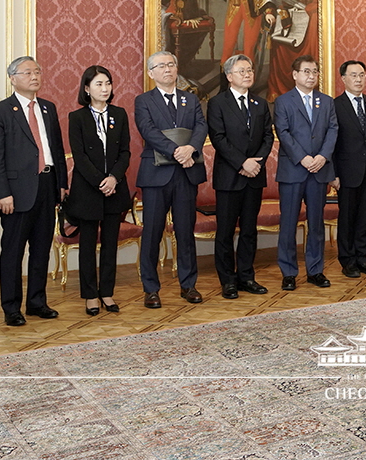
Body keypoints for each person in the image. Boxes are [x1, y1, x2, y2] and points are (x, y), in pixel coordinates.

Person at [0, 56, 67, 327]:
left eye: (37, 71)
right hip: (16, 192)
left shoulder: (48, 108)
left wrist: (61, 183)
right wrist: (1, 193)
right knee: (13, 251)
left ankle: (37, 302)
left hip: (47, 185)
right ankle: (11, 307)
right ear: (12, 78)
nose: (34, 76)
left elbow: (56, 148)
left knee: (42, 248)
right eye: (27, 72)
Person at [134, 51, 207, 308]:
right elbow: (148, 131)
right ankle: (151, 289)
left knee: (185, 232)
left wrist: (191, 148)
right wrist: (177, 151)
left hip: (186, 174)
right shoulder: (143, 101)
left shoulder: (191, 99)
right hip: (156, 175)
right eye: (160, 66)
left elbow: (201, 126)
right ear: (151, 73)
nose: (167, 69)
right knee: (152, 232)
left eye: (171, 64)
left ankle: (189, 285)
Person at [205, 54, 273, 299]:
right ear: (229, 75)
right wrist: (241, 162)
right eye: (242, 70)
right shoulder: (217, 103)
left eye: (250, 70)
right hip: (229, 176)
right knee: (225, 231)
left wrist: (256, 163)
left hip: (254, 175)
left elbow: (268, 136)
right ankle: (228, 280)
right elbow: (218, 138)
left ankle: (246, 276)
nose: (248, 74)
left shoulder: (260, 104)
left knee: (249, 229)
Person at [66, 66, 132, 315]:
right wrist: (100, 182)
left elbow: (125, 151)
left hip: (115, 190)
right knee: (87, 245)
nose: (104, 89)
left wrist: (114, 178)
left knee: (110, 244)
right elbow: (79, 156)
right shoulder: (77, 117)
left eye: (108, 84)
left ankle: (107, 292)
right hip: (88, 191)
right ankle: (90, 295)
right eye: (98, 84)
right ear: (86, 89)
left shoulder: (120, 114)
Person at [273, 55, 337, 291]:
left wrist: (322, 157)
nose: (312, 76)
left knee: (316, 224)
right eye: (307, 72)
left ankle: (315, 270)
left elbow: (333, 130)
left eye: (315, 72)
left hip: (319, 170)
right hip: (293, 170)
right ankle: (289, 272)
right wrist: (304, 158)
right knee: (288, 224)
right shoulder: (283, 101)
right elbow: (283, 132)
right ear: (295, 74)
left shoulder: (326, 101)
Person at [331, 60, 366, 278]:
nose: (358, 79)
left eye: (361, 75)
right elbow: (331, 142)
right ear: (343, 78)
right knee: (347, 218)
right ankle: (347, 261)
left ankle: (362, 258)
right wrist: (333, 173)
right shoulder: (335, 105)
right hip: (346, 173)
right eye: (353, 75)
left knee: (365, 217)